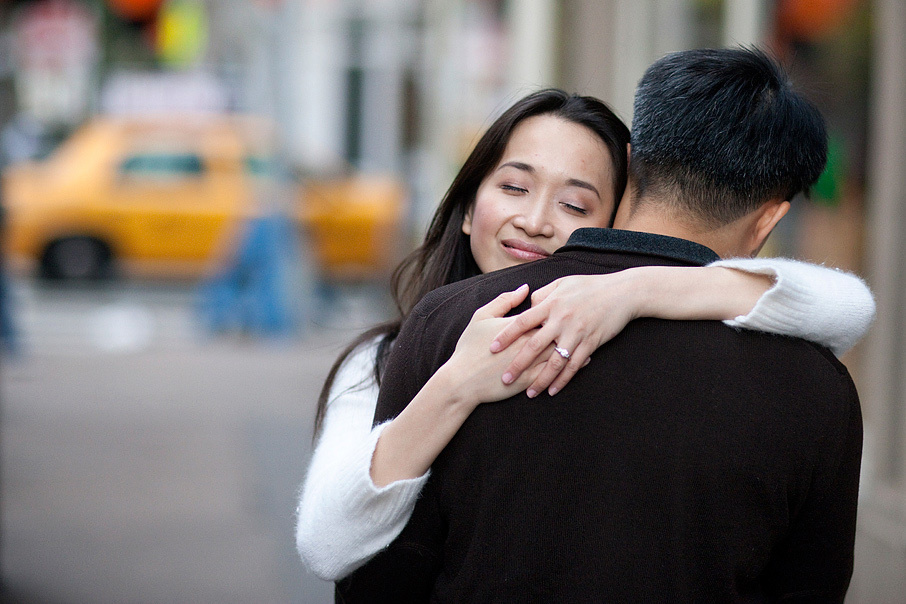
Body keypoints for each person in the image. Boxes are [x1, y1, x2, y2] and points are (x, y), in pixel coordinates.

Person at [335, 48, 864, 601]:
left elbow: (376, 575)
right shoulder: (816, 391)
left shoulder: (456, 324)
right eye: (514, 188)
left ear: (632, 162)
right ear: (770, 218)